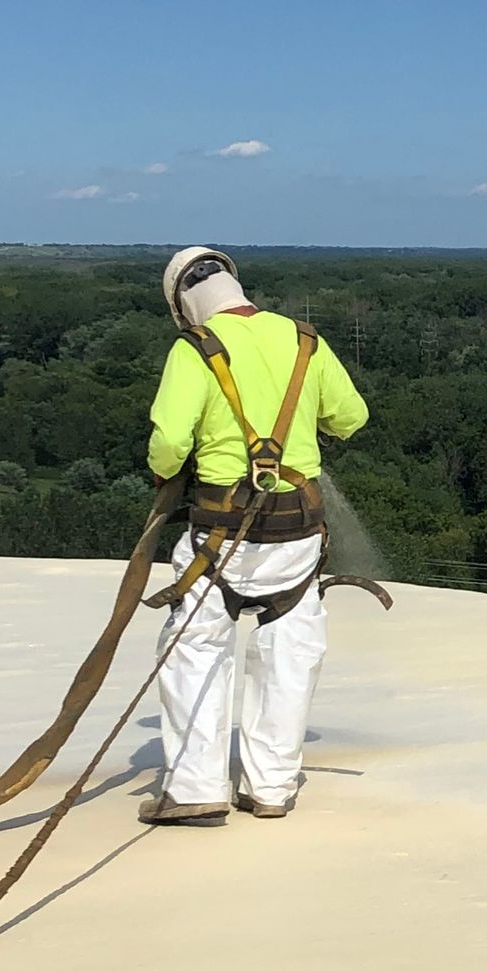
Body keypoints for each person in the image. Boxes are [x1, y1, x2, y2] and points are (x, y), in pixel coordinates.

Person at [141, 246, 368, 826]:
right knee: (289, 656)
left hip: (219, 537)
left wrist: (169, 470)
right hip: (296, 534)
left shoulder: (193, 348)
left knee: (195, 651)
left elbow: (169, 443)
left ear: (183, 304)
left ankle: (195, 789)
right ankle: (270, 787)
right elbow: (350, 418)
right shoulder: (305, 342)